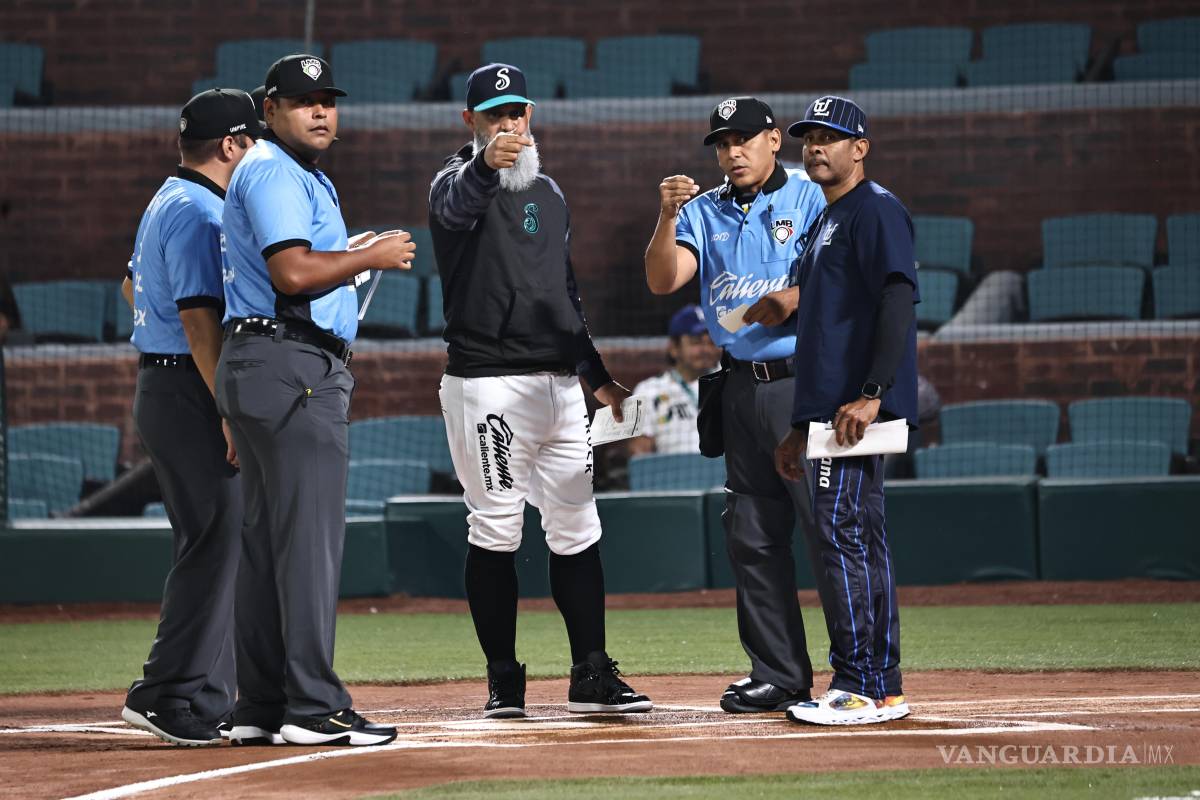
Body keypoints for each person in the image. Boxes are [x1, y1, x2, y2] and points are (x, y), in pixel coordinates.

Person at [429, 62, 652, 719]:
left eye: (517, 112)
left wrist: (599, 378)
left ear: (531, 116)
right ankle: (505, 679)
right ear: (468, 122)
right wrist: (484, 165)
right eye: (494, 113)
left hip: (560, 388)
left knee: (578, 526)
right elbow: (452, 205)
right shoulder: (454, 183)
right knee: (497, 526)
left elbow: (564, 297)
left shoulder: (549, 195)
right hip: (487, 387)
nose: (509, 124)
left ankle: (591, 673)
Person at [216, 54, 414, 747]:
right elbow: (293, 272)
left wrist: (350, 253)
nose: (321, 110)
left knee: (270, 545)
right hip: (291, 363)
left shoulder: (297, 174)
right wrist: (372, 257)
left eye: (327, 98)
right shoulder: (273, 167)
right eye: (303, 101)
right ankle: (311, 706)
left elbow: (297, 266)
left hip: (268, 359)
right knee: (306, 546)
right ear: (269, 111)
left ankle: (262, 705)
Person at [643, 96, 826, 714]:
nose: (732, 151)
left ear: (775, 139)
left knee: (829, 531)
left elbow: (855, 273)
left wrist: (798, 295)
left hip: (804, 381)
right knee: (752, 534)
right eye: (722, 143)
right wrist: (667, 216)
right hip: (739, 384)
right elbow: (664, 279)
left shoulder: (810, 195)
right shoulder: (702, 209)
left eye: (745, 138)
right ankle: (779, 674)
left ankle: (860, 672)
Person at [119, 89, 258, 746]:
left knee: (215, 541)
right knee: (216, 541)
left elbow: (132, 288)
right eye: (251, 138)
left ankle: (207, 695)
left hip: (164, 385)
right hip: (187, 389)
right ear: (229, 146)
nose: (258, 149)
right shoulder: (203, 211)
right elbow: (202, 326)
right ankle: (166, 693)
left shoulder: (167, 197)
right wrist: (229, 410)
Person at [775, 95, 918, 726]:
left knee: (843, 539)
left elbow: (897, 300)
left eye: (830, 137)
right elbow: (824, 328)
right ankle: (881, 684)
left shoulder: (875, 209)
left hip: (855, 410)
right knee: (862, 539)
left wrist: (875, 391)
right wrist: (795, 427)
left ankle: (859, 684)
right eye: (808, 137)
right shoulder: (829, 218)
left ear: (859, 148)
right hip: (829, 414)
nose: (815, 147)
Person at [628, 304, 721, 457]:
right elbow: (639, 451)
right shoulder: (646, 390)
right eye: (696, 342)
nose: (706, 349)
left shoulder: (729, 382)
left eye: (711, 342)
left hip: (723, 476)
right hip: (673, 475)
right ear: (674, 348)